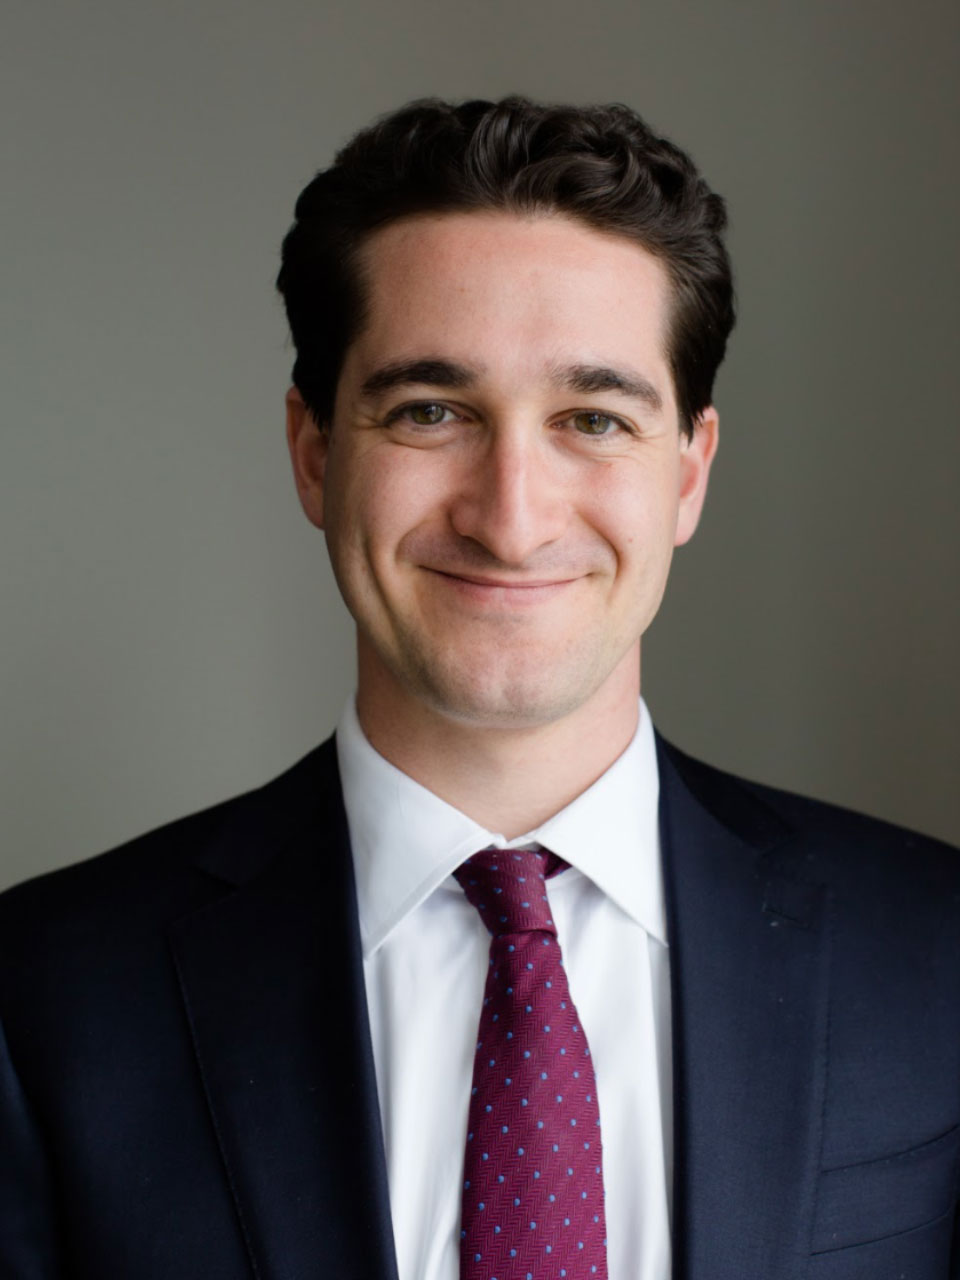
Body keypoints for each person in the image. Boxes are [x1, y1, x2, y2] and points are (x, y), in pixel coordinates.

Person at [1, 96, 957, 1280]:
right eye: (431, 411)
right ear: (314, 451)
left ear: (689, 474)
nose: (511, 516)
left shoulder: (936, 952)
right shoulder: (43, 994)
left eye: (594, 418)